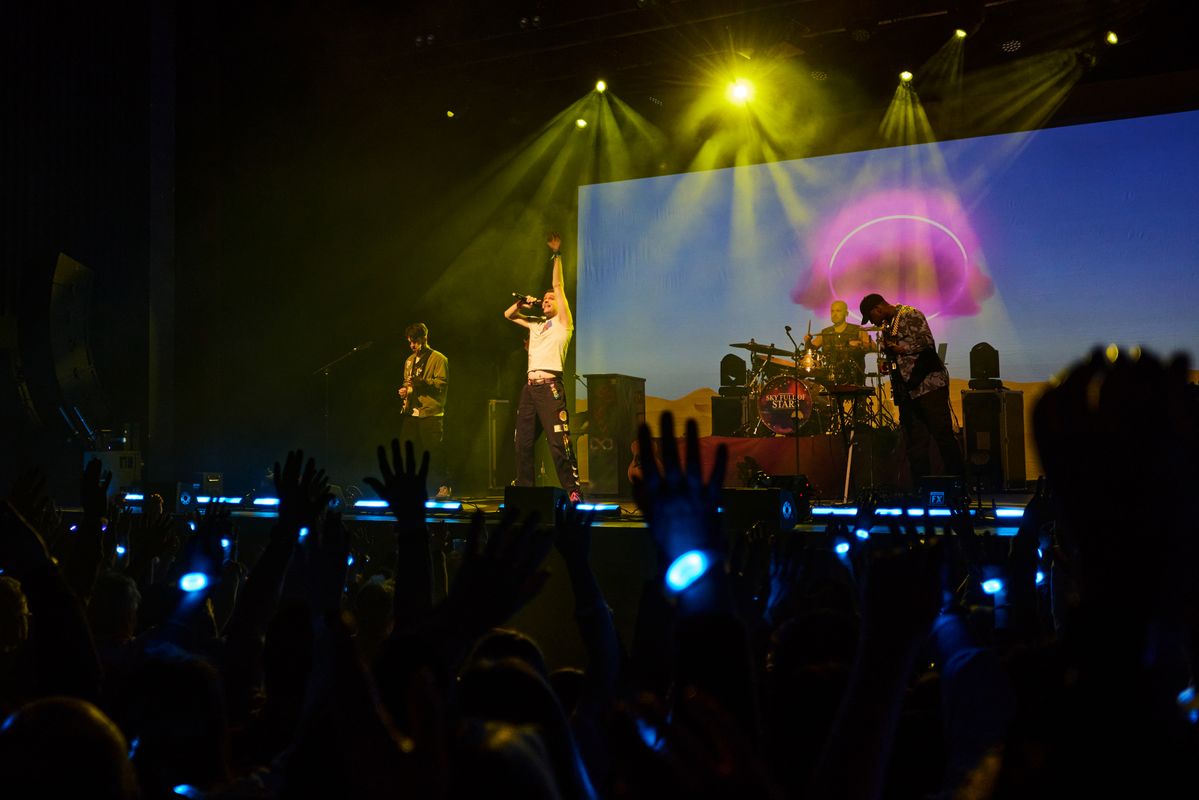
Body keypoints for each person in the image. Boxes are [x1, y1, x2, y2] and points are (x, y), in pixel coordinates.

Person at [503, 233, 583, 503]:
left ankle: (573, 492)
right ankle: (525, 493)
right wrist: (525, 303)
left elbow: (557, 285)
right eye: (545, 300)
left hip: (550, 389)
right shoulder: (536, 324)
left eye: (551, 300)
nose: (547, 301)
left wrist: (557, 255)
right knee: (522, 443)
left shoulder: (563, 323)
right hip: (530, 389)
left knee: (559, 444)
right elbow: (508, 315)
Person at [859, 293, 963, 484]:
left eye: (871, 316)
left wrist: (902, 349)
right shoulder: (887, 326)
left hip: (928, 385)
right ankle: (922, 487)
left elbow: (927, 342)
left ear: (878, 309)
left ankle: (959, 485)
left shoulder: (909, 314)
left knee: (943, 435)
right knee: (915, 442)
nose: (873, 322)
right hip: (907, 390)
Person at [398, 322, 451, 499]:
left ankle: (443, 487)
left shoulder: (439, 359)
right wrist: (405, 391)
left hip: (431, 412)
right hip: (411, 412)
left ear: (424, 338)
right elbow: (408, 383)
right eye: (410, 342)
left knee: (434, 452)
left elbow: (442, 384)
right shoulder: (409, 361)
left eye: (415, 341)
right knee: (407, 451)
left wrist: (423, 383)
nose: (412, 345)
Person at [804, 299, 872, 383]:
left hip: (852, 379)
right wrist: (807, 341)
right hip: (827, 378)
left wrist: (860, 344)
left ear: (846, 314)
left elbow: (873, 347)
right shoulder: (825, 332)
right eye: (832, 311)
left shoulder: (858, 330)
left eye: (838, 311)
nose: (834, 314)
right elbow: (811, 350)